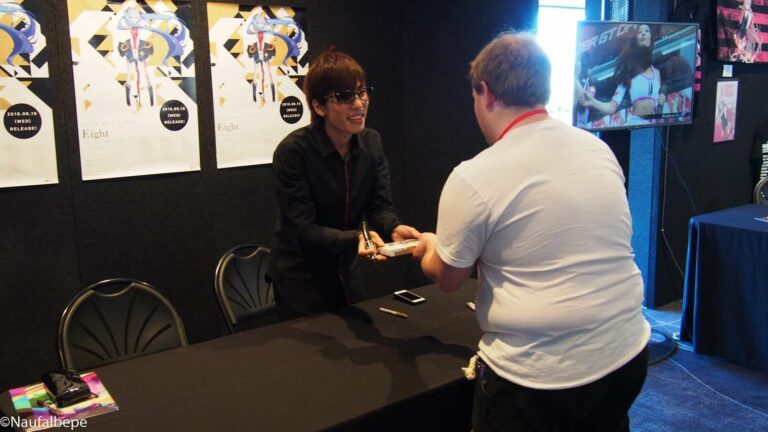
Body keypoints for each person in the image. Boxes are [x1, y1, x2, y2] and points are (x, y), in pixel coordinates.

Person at [412, 33, 650, 431]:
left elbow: (449, 277)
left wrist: (428, 246)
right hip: (627, 353)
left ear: (485, 93)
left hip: (541, 380)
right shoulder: (597, 149)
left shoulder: (473, 176)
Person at [269, 48, 420, 321]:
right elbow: (303, 228)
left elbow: (379, 206)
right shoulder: (293, 152)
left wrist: (393, 227)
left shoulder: (371, 143)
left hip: (347, 272)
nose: (359, 103)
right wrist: (356, 238)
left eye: (362, 92)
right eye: (345, 96)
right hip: (301, 279)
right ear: (318, 106)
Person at [578, 24, 660, 126]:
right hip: (635, 122)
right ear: (636, 40)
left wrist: (662, 97)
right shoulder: (629, 70)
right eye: (640, 32)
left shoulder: (656, 72)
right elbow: (612, 107)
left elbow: (656, 101)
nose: (643, 33)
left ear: (650, 37)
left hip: (652, 124)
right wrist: (592, 102)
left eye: (647, 31)